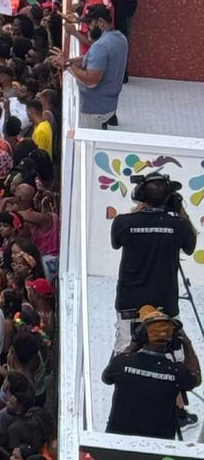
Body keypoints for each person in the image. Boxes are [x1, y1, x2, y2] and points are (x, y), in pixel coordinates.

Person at [102, 307, 201, 439]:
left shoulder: (121, 363)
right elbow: (196, 377)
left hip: (116, 443)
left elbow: (106, 378)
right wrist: (187, 343)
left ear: (141, 336)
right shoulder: (177, 372)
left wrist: (132, 346)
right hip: (159, 447)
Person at [112, 176, 199, 323]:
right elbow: (190, 248)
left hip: (129, 305)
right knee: (167, 344)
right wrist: (180, 210)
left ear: (140, 196)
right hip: (165, 306)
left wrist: (138, 210)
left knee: (128, 346)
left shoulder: (122, 222)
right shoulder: (180, 225)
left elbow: (116, 244)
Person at [58, 8, 127, 127]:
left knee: (88, 143)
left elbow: (91, 81)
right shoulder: (121, 38)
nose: (88, 28)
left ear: (101, 22)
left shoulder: (100, 46)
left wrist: (66, 64)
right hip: (108, 105)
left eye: (89, 23)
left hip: (94, 110)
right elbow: (91, 59)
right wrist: (68, 61)